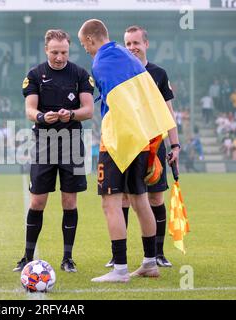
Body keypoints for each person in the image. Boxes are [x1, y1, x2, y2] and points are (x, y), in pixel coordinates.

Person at [78, 19, 175, 282]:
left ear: (90, 39)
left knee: (110, 203)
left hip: (120, 139)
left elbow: (114, 101)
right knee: (139, 200)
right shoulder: (124, 54)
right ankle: (149, 262)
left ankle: (119, 269)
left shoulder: (101, 61)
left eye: (83, 44)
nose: (85, 49)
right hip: (142, 137)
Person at [13, 29, 94, 273]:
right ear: (46, 50)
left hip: (72, 142)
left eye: (64, 52)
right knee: (38, 201)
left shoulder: (80, 74)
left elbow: (88, 110)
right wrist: (40, 116)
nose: (60, 57)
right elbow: (30, 109)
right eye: (55, 52)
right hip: (44, 142)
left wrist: (70, 114)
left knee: (69, 201)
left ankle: (67, 258)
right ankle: (27, 257)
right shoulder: (35, 74)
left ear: (69, 50)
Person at [103, 25, 181, 268]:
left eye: (136, 43)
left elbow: (168, 112)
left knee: (156, 198)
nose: (132, 48)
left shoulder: (158, 74)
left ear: (146, 44)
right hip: (126, 145)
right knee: (123, 199)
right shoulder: (119, 72)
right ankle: (119, 256)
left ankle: (157, 254)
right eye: (128, 44)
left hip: (153, 146)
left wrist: (175, 145)